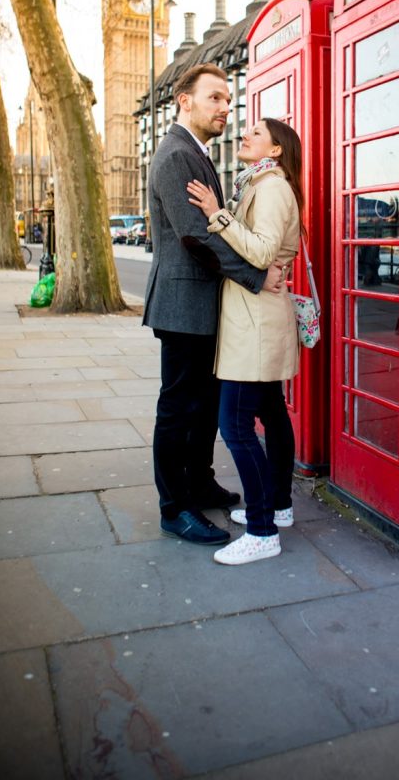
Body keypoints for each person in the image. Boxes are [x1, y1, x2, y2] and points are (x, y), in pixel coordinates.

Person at [143, 64, 283, 548]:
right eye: (215, 98)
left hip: (203, 305)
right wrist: (255, 276)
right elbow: (195, 236)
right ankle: (174, 507)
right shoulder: (176, 156)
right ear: (185, 101)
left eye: (227, 98)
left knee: (203, 404)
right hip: (182, 304)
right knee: (179, 408)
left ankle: (199, 484)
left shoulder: (196, 154)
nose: (226, 107)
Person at [187, 117, 302, 566]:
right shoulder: (259, 183)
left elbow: (261, 252)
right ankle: (279, 506)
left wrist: (216, 213)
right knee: (272, 413)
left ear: (275, 150)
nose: (245, 135)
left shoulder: (271, 188)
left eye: (256, 132)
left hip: (255, 325)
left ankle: (261, 531)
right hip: (258, 318)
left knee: (235, 426)